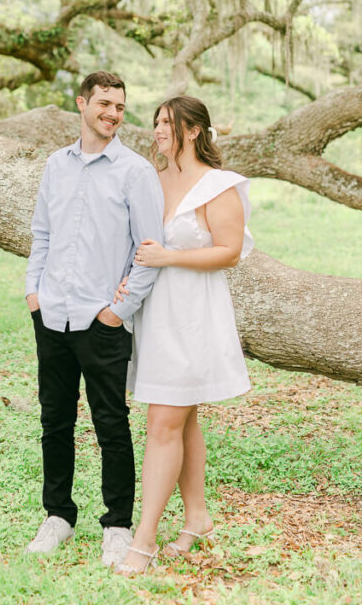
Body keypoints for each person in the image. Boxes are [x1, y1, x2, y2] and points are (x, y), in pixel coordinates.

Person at [24, 71, 164, 566]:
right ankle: (58, 516)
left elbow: (150, 251)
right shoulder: (55, 166)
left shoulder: (135, 171)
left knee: (111, 423)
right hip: (52, 315)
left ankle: (118, 526)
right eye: (104, 103)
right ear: (82, 104)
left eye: (120, 107)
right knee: (54, 420)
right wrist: (33, 292)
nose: (112, 113)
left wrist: (116, 312)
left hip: (102, 321)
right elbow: (41, 234)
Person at [115, 95, 253, 575]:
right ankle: (197, 517)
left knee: (162, 424)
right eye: (155, 122)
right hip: (156, 317)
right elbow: (137, 244)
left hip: (195, 317)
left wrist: (168, 257)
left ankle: (144, 540)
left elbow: (230, 251)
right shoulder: (152, 182)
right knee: (183, 419)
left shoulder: (218, 185)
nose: (157, 130)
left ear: (193, 130)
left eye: (167, 123)